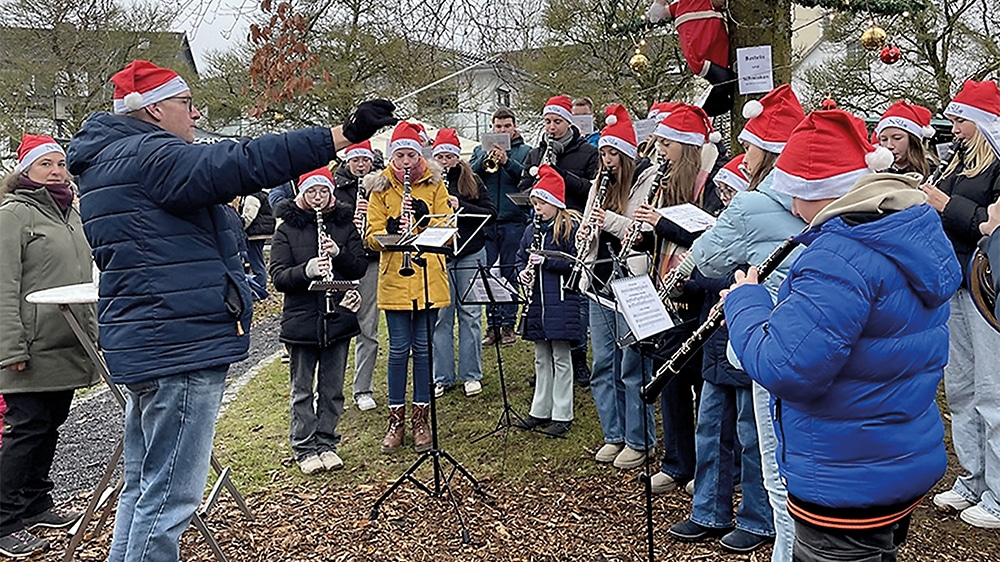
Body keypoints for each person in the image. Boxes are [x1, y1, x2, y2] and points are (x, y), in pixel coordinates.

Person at [66, 59, 394, 562]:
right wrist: (340, 135)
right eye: (185, 103)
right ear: (154, 109)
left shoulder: (114, 156)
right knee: (170, 498)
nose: (195, 114)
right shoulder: (153, 156)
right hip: (180, 345)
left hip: (157, 341)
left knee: (142, 487)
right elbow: (242, 161)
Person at [723, 108, 960, 562]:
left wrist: (746, 301)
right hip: (895, 456)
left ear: (828, 193)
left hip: (843, 473)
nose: (793, 208)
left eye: (797, 194)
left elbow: (787, 367)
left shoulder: (837, 259)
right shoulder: (905, 233)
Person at [683, 84, 806, 562]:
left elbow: (708, 259)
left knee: (773, 457)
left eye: (751, 144)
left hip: (762, 333)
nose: (744, 153)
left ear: (768, 150)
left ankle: (780, 542)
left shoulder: (752, 205)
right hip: (811, 334)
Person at [666, 155, 774, 554]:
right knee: (710, 426)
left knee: (751, 433)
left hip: (745, 330)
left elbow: (742, 271)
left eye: (731, 190)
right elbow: (711, 267)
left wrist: (706, 274)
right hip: (716, 332)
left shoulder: (762, 217)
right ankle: (708, 510)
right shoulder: (732, 219)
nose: (725, 196)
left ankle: (759, 516)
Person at [0, 135, 98, 558]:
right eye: (46, 165)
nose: (56, 171)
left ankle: (36, 501)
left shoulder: (69, 213)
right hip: (31, 345)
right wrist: (10, 347)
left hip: (67, 342)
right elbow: (3, 285)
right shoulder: (13, 215)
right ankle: (4, 519)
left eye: (60, 163)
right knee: (26, 429)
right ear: (26, 171)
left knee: (51, 423)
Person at [630, 103, 719, 498]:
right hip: (663, 290)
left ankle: (707, 465)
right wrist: (644, 234)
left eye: (667, 143)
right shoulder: (662, 182)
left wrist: (661, 223)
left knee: (703, 387)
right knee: (669, 382)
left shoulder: (710, 184)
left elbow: (711, 241)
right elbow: (663, 238)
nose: (659, 150)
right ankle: (676, 463)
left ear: (687, 146)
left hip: (697, 296)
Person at [924, 79, 1000, 529]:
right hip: (952, 283)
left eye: (960, 118)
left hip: (985, 288)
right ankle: (974, 479)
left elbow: (991, 229)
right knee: (961, 390)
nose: (953, 126)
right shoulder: (957, 164)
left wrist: (944, 202)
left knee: (993, 391)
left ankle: (999, 492)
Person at [270, 166, 367, 474]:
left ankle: (327, 442)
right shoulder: (286, 229)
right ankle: (304, 446)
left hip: (337, 316)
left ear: (330, 193)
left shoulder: (343, 224)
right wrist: (307, 270)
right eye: (311, 191)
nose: (317, 197)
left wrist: (338, 254)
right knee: (301, 389)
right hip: (301, 319)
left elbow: (358, 269)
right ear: (301, 194)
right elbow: (278, 277)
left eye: (323, 191)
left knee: (332, 388)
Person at [364, 121, 452, 454]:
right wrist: (389, 230)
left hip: (428, 275)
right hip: (395, 278)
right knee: (399, 350)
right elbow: (371, 236)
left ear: (420, 156)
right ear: (391, 157)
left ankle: (421, 420)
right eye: (399, 155)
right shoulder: (381, 187)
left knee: (424, 349)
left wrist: (425, 218)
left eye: (410, 155)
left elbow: (447, 227)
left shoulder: (434, 185)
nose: (405, 162)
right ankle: (396, 420)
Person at [577, 104, 656, 468]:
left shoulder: (649, 180)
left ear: (626, 154)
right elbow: (592, 233)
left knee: (632, 363)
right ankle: (614, 433)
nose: (606, 160)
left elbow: (644, 232)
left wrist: (607, 220)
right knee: (603, 363)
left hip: (633, 279)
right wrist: (585, 233)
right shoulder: (598, 183)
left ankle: (640, 439)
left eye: (612, 153)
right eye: (603, 153)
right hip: (598, 278)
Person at [519, 94, 599, 387]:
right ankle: (547, 361)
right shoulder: (537, 152)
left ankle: (576, 358)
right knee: (543, 296)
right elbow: (524, 186)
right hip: (541, 227)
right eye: (547, 121)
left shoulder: (587, 152)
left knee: (573, 297)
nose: (551, 127)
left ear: (569, 122)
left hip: (572, 229)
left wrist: (560, 176)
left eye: (557, 121)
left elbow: (592, 189)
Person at [515, 165, 582, 437]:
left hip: (561, 301)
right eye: (534, 203)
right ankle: (540, 409)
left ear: (555, 203)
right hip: (537, 303)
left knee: (561, 358)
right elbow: (520, 256)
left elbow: (576, 265)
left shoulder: (568, 229)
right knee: (541, 358)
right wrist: (522, 272)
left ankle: (562, 413)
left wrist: (547, 262)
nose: (538, 209)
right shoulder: (532, 230)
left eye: (542, 203)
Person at [431, 129, 496, 398]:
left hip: (470, 252)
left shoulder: (473, 179)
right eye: (440, 156)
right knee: (441, 318)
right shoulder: (428, 183)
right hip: (440, 255)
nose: (445, 161)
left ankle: (471, 374)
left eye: (449, 156)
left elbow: (491, 213)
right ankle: (442, 376)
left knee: (470, 316)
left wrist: (461, 207)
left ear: (458, 158)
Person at [470, 108, 531, 347]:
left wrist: (508, 161)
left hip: (513, 220)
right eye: (498, 127)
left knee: (509, 273)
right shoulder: (479, 150)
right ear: (492, 127)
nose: (502, 130)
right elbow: (471, 177)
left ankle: (508, 325)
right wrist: (484, 157)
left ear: (514, 127)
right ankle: (492, 325)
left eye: (507, 126)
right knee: (487, 275)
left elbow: (526, 179)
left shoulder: (525, 151)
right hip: (486, 222)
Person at [337, 140, 380, 412]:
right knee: (338, 328)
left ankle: (362, 388)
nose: (361, 165)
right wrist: (349, 218)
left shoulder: (378, 184)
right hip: (341, 261)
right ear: (348, 160)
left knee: (368, 327)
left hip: (370, 261)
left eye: (365, 160)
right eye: (356, 160)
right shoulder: (334, 186)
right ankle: (329, 390)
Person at [874, 100, 937, 177]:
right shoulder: (877, 174)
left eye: (897, 138)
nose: (889, 146)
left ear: (913, 140)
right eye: (884, 139)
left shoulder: (934, 173)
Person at [238, 188, 275, 300]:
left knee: (255, 262)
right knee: (257, 261)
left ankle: (259, 290)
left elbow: (249, 216)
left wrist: (241, 229)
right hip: (261, 231)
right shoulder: (264, 194)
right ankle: (259, 288)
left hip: (255, 233)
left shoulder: (253, 195)